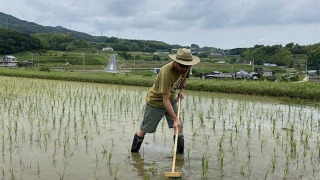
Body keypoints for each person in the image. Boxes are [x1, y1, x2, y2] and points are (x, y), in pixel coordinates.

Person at [131, 48, 200, 154]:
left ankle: (179, 157)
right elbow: (165, 100)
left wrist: (182, 90)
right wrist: (175, 119)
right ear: (176, 62)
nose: (184, 69)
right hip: (156, 102)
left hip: (171, 100)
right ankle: (134, 153)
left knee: (179, 127)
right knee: (144, 129)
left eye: (187, 66)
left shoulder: (186, 67)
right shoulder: (166, 73)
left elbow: (185, 78)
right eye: (182, 66)